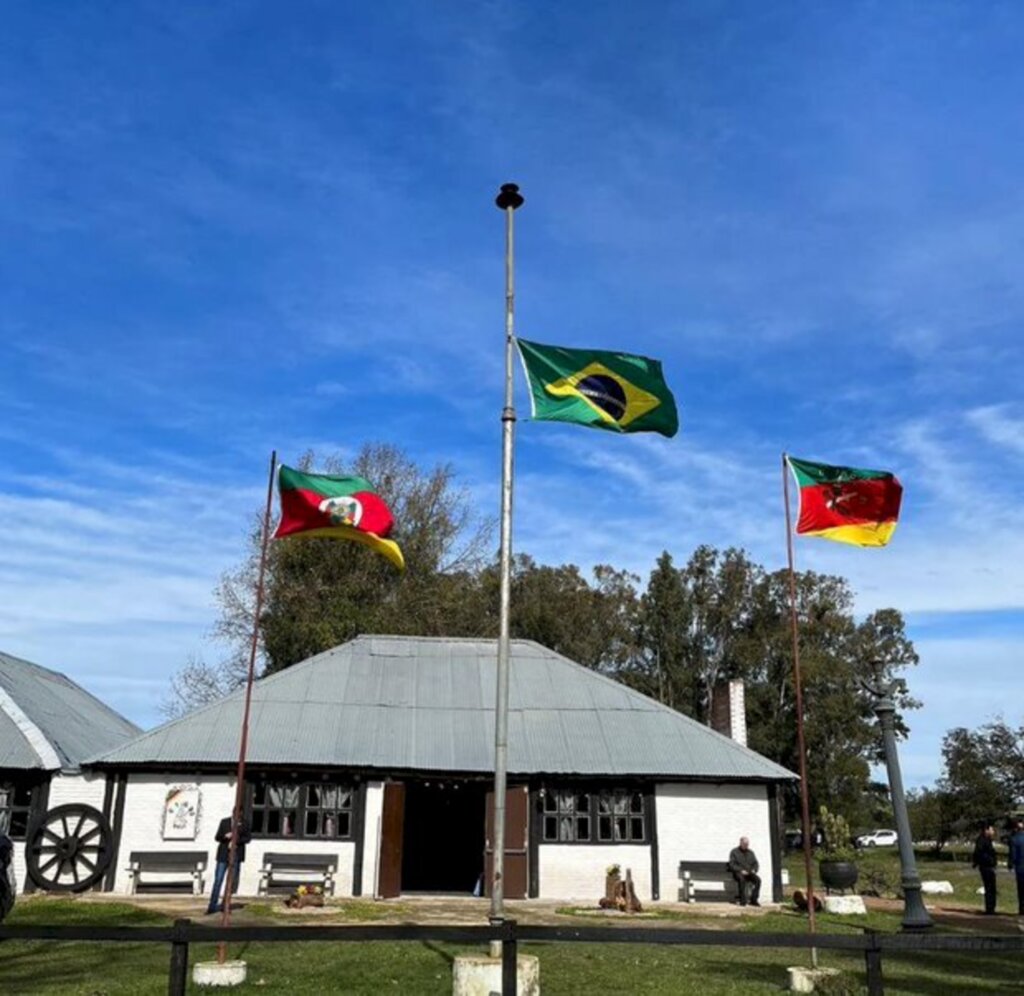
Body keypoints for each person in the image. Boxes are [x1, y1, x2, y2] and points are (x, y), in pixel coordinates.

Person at [206, 813, 251, 915]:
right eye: (236, 817)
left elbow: (248, 838)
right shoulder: (225, 822)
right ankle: (212, 905)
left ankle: (225, 904)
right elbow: (217, 837)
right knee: (218, 880)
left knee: (231, 881)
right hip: (223, 855)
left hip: (236, 855)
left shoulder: (245, 824)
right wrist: (225, 836)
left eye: (239, 817)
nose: (237, 819)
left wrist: (237, 839)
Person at [971, 823, 998, 914]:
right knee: (989, 887)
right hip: (986, 867)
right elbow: (979, 853)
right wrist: (989, 861)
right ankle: (989, 908)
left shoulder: (988, 840)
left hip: (989, 866)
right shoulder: (982, 840)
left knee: (991, 888)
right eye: (991, 829)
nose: (993, 832)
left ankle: (991, 907)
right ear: (986, 830)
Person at [728, 836, 761, 907]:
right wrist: (740, 870)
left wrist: (754, 870)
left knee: (758, 880)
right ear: (740, 843)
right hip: (739, 873)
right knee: (741, 879)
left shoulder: (751, 853)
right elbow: (732, 864)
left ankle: (754, 899)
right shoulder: (734, 852)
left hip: (749, 873)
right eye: (744, 844)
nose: (746, 845)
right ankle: (742, 900)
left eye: (747, 844)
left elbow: (755, 863)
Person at [1010, 818, 1024, 917]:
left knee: (1021, 889)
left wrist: (1011, 864)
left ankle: (1022, 908)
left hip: (1020, 867)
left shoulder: (1014, 839)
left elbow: (1013, 855)